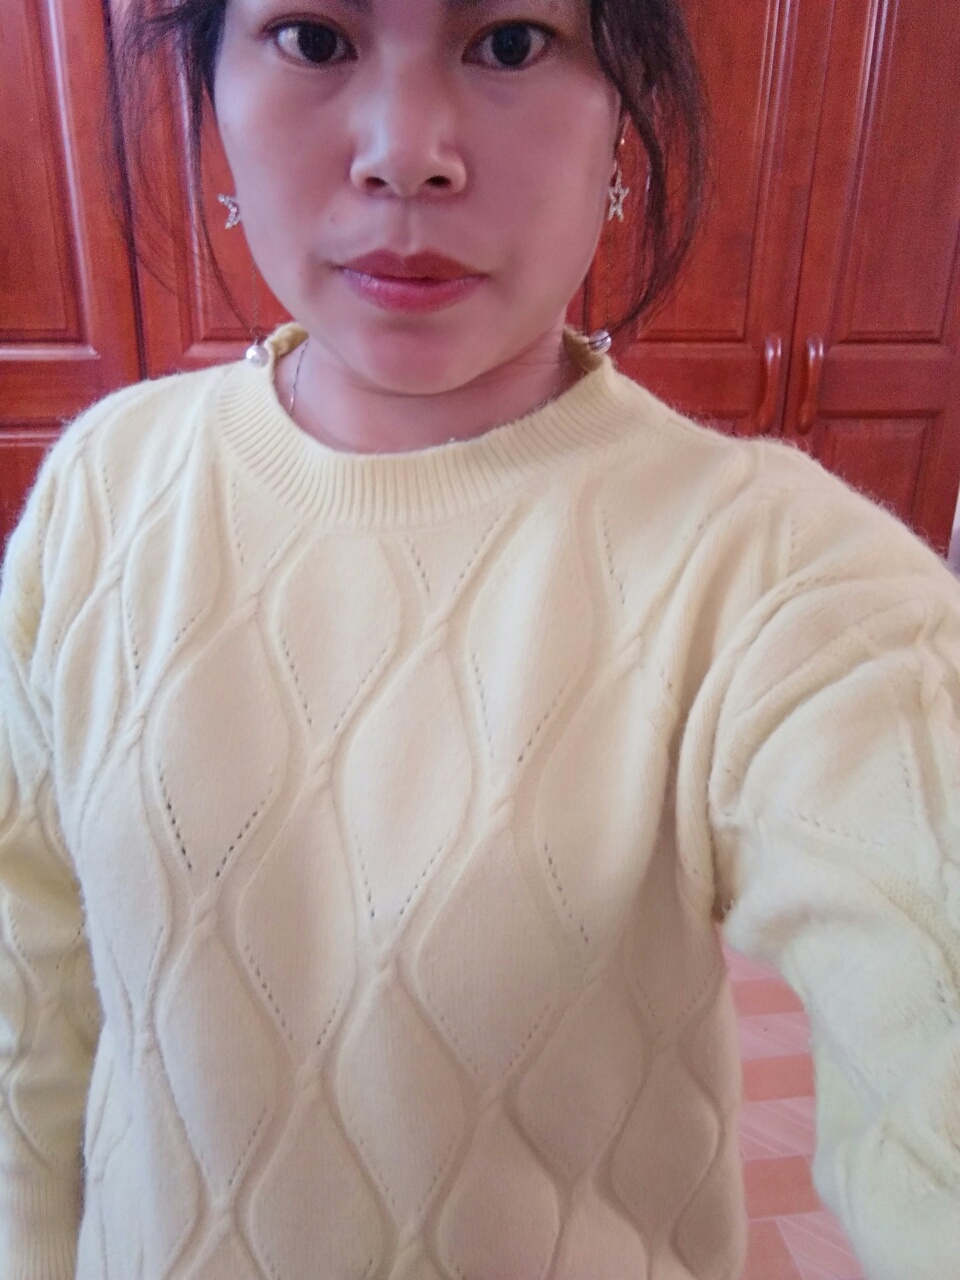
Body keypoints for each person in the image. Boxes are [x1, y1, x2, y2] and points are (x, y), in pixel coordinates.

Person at [0, 1, 958, 1277]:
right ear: (211, 86)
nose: (407, 153)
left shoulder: (778, 576)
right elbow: (27, 992)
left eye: (509, 40)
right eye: (313, 37)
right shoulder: (103, 491)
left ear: (621, 115)